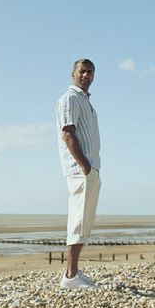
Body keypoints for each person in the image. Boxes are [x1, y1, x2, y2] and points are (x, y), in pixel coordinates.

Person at [55, 58, 102, 290]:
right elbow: (68, 133)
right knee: (78, 220)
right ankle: (70, 276)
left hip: (91, 169)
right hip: (81, 170)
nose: (87, 75)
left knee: (85, 222)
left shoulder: (85, 101)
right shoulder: (70, 98)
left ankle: (73, 272)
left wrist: (92, 169)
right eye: (82, 71)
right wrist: (85, 167)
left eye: (90, 72)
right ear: (73, 73)